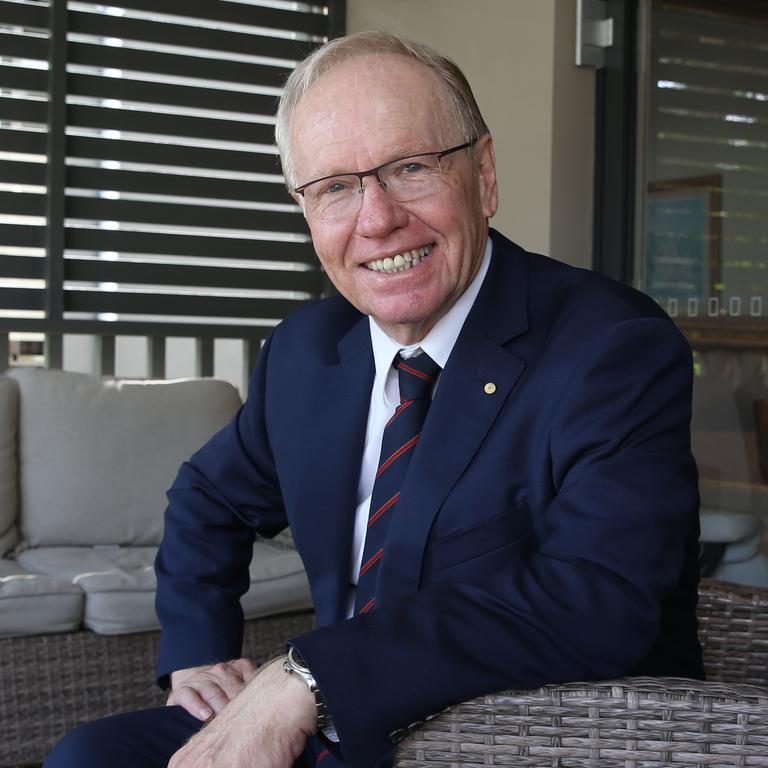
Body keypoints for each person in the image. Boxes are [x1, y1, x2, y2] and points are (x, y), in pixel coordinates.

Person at [45, 30, 702, 768]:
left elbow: (597, 597)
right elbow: (208, 498)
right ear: (306, 213)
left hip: (528, 735)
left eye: (411, 167)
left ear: (483, 174)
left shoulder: (612, 346)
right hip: (341, 727)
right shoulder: (306, 351)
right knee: (88, 756)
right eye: (334, 187)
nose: (377, 218)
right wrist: (198, 654)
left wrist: (305, 679)